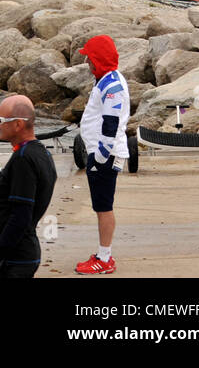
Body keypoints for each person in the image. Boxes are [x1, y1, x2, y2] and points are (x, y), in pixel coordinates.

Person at [0, 94, 57, 278]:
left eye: (0, 120)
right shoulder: (42, 153)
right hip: (20, 254)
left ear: (18, 124)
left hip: (11, 259)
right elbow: (25, 200)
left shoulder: (23, 159)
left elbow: (21, 217)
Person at [75, 35, 129, 274]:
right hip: (101, 152)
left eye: (89, 57)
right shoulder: (106, 80)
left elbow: (111, 123)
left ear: (97, 60)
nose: (86, 61)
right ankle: (103, 254)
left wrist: (99, 157)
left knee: (103, 206)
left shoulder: (112, 85)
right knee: (102, 206)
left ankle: (104, 259)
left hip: (104, 155)